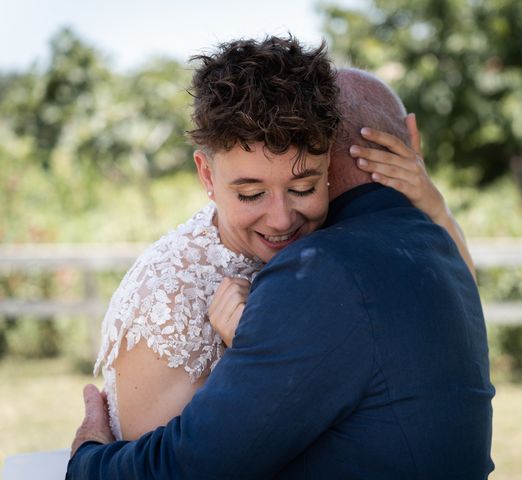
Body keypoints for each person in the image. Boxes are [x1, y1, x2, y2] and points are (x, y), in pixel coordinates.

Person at [67, 65, 494, 478]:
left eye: (304, 188)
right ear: (206, 175)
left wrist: (88, 460)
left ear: (329, 162)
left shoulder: (321, 269)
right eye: (251, 193)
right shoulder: (434, 247)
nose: (280, 220)